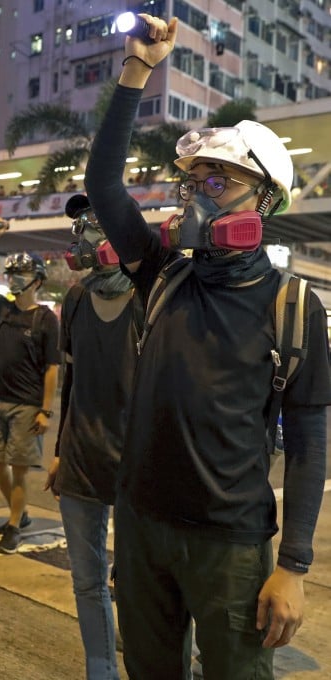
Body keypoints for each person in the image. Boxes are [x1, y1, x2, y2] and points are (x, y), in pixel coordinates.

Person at [83, 16, 331, 679]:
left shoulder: (293, 307)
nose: (197, 193)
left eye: (216, 181)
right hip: (141, 529)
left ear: (265, 199)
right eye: (194, 181)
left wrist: (294, 567)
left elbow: (309, 441)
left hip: (231, 547)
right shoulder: (162, 272)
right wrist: (138, 69)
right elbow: (104, 187)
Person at [44, 195, 139, 680]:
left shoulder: (152, 295)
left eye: (97, 225)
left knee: (138, 583)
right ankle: (100, 669)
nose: (85, 236)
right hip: (81, 458)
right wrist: (61, 451)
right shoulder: (76, 297)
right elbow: (71, 383)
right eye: (81, 226)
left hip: (140, 466)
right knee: (87, 582)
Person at [0, 222, 60, 554]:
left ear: (37, 280)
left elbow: (52, 368)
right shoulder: (3, 309)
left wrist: (46, 410)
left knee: (20, 470)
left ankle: (13, 526)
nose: (14, 278)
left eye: (21, 273)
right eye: (12, 272)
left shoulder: (46, 318)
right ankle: (17, 514)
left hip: (27, 405)